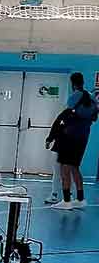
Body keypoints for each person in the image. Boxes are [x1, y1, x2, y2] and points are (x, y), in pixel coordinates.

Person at [52, 72, 97, 210]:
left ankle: (66, 201)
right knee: (74, 167)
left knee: (64, 167)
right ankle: (80, 198)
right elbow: (94, 117)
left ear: (73, 83)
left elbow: (66, 114)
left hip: (70, 136)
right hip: (84, 136)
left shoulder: (74, 96)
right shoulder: (91, 97)